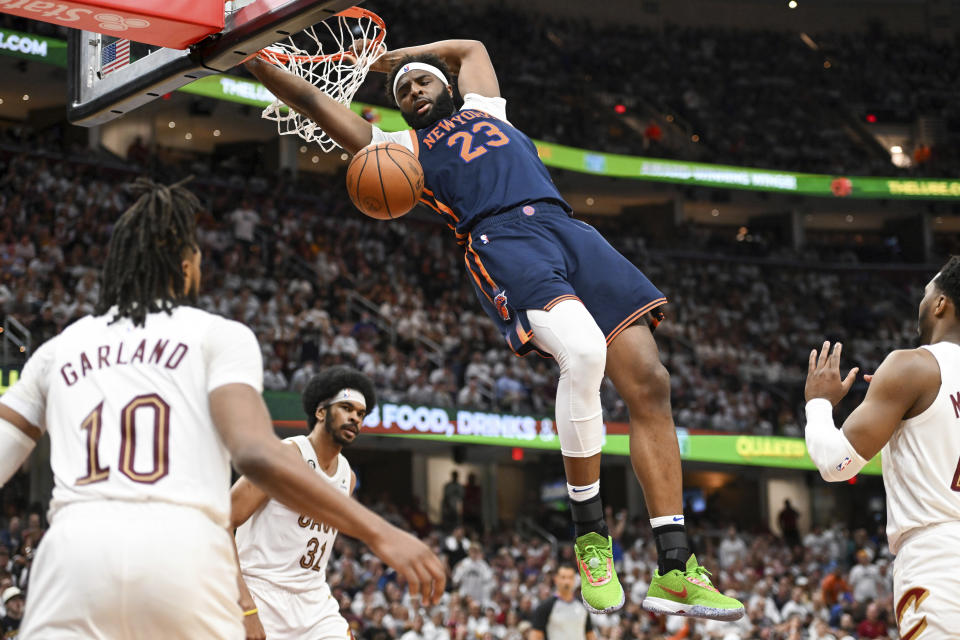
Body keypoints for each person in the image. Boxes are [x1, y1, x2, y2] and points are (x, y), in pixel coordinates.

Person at [245, 39, 743, 619]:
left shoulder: (487, 109)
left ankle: (677, 568)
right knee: (582, 354)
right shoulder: (399, 149)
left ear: (447, 86)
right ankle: (590, 537)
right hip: (502, 240)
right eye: (402, 89)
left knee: (651, 382)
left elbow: (470, 47)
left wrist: (386, 59)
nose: (412, 89)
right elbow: (310, 100)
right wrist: (253, 59)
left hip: (567, 228)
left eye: (421, 80)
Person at [0, 178, 445, 638]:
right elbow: (254, 453)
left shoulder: (58, 349)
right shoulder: (218, 337)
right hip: (180, 553)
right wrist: (378, 531)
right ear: (188, 266)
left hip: (75, 556)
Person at [803, 256, 960, 639]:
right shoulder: (915, 375)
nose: (922, 303)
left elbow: (836, 463)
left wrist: (819, 402)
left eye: (927, 294)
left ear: (941, 304)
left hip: (941, 559)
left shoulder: (914, 366)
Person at [232, 365, 373, 640]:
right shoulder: (280, 457)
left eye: (360, 413)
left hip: (313, 599)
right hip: (260, 591)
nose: (354, 418)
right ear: (321, 412)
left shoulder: (348, 477)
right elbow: (221, 523)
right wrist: (245, 607)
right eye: (346, 407)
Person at [529, 565, 596, 640]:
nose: (567, 581)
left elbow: (590, 635)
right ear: (556, 579)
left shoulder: (583, 606)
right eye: (563, 577)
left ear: (574, 580)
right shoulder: (545, 607)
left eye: (570, 577)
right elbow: (535, 636)